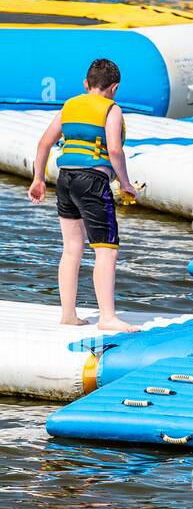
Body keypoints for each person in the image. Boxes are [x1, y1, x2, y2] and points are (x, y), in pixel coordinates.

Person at [27, 58, 139, 332]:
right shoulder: (111, 110)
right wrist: (125, 182)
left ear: (86, 84)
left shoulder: (70, 106)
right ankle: (108, 317)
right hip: (92, 182)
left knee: (71, 248)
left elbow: (44, 142)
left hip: (65, 180)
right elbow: (114, 150)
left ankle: (68, 313)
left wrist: (38, 178)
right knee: (106, 250)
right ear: (114, 87)